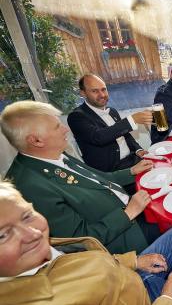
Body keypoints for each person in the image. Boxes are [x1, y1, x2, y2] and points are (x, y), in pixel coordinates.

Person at [0, 181, 172, 305]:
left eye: (27, 215)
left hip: (127, 279)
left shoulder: (42, 251)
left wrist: (132, 261)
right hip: (152, 301)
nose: (31, 233)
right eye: (3, 235)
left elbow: (84, 261)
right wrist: (167, 298)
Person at [1, 100, 158, 254]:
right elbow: (80, 240)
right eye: (57, 127)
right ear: (36, 140)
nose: (65, 130)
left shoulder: (54, 154)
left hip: (130, 209)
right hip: (124, 239)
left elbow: (99, 179)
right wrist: (128, 213)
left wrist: (131, 171)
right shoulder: (30, 186)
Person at [67, 74, 152, 172]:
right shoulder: (76, 117)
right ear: (83, 93)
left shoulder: (112, 111)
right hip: (112, 171)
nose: (102, 95)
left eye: (103, 89)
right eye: (95, 91)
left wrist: (138, 150)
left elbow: (124, 134)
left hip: (132, 160)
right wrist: (132, 120)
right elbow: (99, 137)